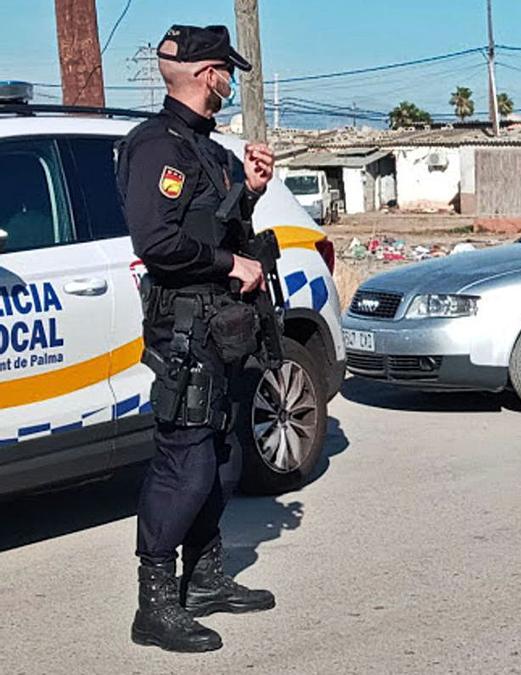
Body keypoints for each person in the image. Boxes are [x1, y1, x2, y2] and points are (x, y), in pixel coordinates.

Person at [117, 24, 277, 653]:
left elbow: (219, 227)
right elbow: (158, 246)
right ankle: (153, 606)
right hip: (186, 328)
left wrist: (253, 194)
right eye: (226, 71)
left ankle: (205, 578)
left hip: (225, 328)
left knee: (224, 457)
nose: (230, 82)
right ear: (207, 73)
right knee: (183, 463)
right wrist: (227, 266)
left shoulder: (208, 149)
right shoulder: (157, 147)